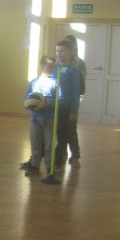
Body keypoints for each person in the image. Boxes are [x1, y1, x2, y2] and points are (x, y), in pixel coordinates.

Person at [22, 56, 57, 175]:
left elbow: (59, 99)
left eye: (53, 66)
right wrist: (27, 104)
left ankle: (49, 167)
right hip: (35, 118)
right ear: (42, 66)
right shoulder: (34, 82)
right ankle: (35, 165)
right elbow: (27, 97)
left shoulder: (55, 83)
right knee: (35, 141)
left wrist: (49, 102)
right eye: (49, 66)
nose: (51, 68)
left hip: (49, 118)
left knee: (49, 144)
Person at [53, 40, 80, 171]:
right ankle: (59, 156)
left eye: (62, 51)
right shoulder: (54, 68)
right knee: (59, 133)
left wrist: (74, 111)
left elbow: (76, 93)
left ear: (70, 53)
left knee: (69, 133)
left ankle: (73, 157)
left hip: (67, 107)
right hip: (54, 107)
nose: (59, 53)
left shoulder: (73, 71)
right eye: (57, 51)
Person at [63, 34, 85, 168]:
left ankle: (75, 156)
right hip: (61, 101)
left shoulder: (79, 63)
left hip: (73, 99)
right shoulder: (60, 62)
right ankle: (62, 153)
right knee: (61, 128)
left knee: (71, 128)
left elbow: (80, 84)